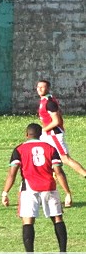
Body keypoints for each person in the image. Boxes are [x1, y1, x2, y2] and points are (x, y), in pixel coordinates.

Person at [1, 123, 71, 254]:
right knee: (57, 218)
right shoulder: (50, 148)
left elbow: (12, 174)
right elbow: (59, 172)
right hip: (49, 186)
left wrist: (5, 192)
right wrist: (67, 192)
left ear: (26, 135)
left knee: (28, 220)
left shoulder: (19, 149)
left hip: (29, 189)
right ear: (41, 134)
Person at [37, 79, 85, 207]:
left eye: (43, 87)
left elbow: (56, 121)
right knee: (50, 163)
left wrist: (42, 130)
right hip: (47, 136)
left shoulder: (49, 102)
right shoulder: (46, 100)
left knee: (65, 159)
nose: (40, 89)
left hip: (53, 135)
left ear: (48, 88)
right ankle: (52, 193)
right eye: (38, 87)